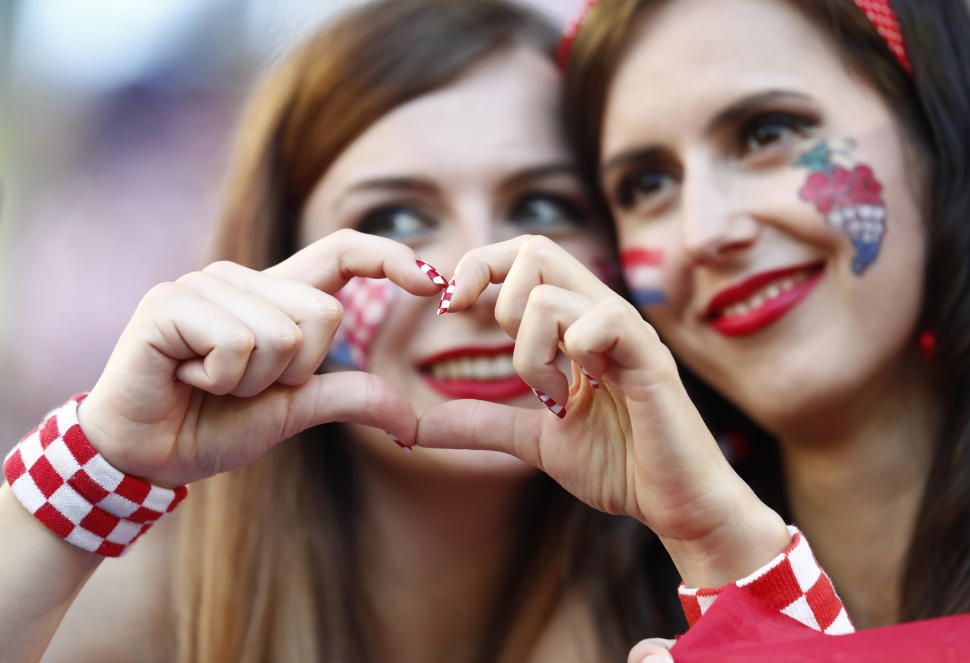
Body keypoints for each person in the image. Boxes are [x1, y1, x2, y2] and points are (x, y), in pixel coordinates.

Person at [0, 1, 711, 661]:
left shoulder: (719, 586)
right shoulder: (119, 625)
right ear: (275, 268)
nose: (477, 279)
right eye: (395, 218)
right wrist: (98, 464)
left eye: (543, 203)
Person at [412, 0, 970, 658]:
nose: (705, 231)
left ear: (935, 130)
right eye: (647, 183)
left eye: (766, 132)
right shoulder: (607, 610)